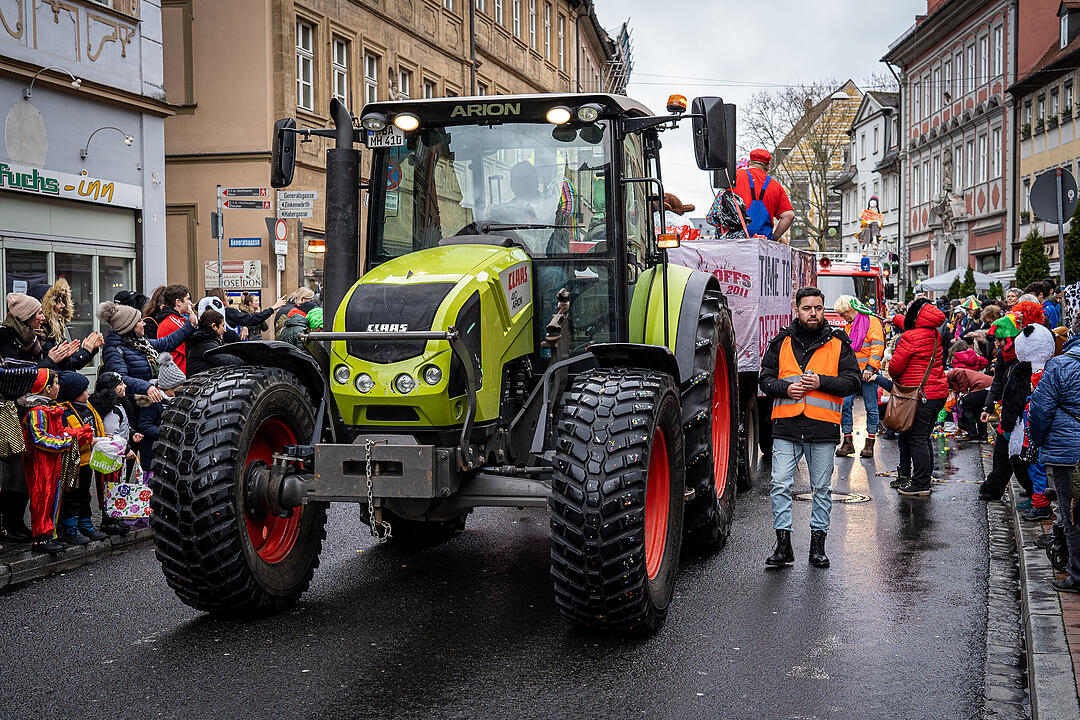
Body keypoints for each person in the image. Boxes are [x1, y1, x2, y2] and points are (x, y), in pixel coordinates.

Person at [758, 287, 861, 568]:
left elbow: (853, 382)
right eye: (806, 308)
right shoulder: (781, 342)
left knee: (821, 489)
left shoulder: (839, 342)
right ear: (798, 310)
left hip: (822, 429)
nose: (812, 313)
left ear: (823, 309)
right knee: (779, 484)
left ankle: (818, 547)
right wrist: (785, 388)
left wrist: (822, 382)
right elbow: (764, 379)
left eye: (817, 307)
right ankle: (783, 546)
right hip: (787, 427)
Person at [1027, 326, 1080, 593]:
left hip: (1067, 451)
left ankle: (1077, 575)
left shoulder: (1060, 364)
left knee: (1072, 513)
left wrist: (1038, 441)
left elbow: (1040, 410)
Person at [887, 298, 949, 496]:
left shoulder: (909, 337)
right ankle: (923, 477)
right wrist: (894, 318)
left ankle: (921, 483)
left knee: (916, 439)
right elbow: (911, 323)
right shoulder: (933, 333)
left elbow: (895, 368)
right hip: (937, 392)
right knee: (923, 437)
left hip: (919, 394)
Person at [979, 313, 1034, 501]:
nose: (997, 344)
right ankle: (993, 488)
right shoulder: (1003, 355)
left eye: (1000, 340)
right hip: (1008, 411)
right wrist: (988, 406)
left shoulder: (1025, 357)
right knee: (1002, 452)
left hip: (1022, 412)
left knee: (1018, 456)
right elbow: (997, 382)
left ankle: (1033, 490)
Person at [21, 370, 75, 554]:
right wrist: (66, 442)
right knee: (41, 499)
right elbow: (39, 439)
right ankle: (40, 539)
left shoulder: (51, 409)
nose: (59, 387)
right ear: (47, 388)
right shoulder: (36, 412)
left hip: (53, 463)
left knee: (52, 498)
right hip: (40, 465)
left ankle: (49, 534)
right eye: (56, 383)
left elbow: (59, 431)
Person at [98, 300, 196, 400]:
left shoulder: (140, 343)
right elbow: (121, 379)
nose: (144, 323)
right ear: (129, 327)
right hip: (134, 405)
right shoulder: (113, 350)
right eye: (139, 321)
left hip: (151, 400)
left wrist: (190, 325)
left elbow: (166, 342)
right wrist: (147, 387)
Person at [56, 371, 106, 545]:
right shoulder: (64, 412)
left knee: (85, 495)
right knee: (72, 497)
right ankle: (70, 529)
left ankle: (86, 524)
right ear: (73, 393)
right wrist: (88, 439)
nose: (88, 393)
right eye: (84, 390)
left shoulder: (87, 407)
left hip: (87, 460)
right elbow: (66, 435)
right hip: (72, 463)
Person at [832, 295, 884, 458]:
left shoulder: (871, 322)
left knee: (871, 407)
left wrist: (870, 367)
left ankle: (869, 443)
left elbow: (877, 346)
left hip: (868, 373)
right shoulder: (849, 326)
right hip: (852, 374)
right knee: (845, 405)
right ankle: (848, 442)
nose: (842, 317)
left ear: (849, 310)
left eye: (842, 314)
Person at [89, 371, 136, 536]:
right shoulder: (111, 409)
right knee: (109, 486)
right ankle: (108, 521)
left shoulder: (117, 405)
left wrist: (132, 433)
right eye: (120, 384)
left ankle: (113, 518)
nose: (125, 386)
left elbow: (122, 427)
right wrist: (127, 449)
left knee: (114, 484)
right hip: (110, 455)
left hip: (115, 454)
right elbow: (111, 435)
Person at [133, 353, 186, 474]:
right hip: (152, 454)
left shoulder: (178, 400)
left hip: (169, 453)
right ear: (169, 387)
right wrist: (164, 433)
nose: (182, 389)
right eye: (179, 387)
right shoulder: (151, 401)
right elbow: (144, 425)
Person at [38, 278, 105, 371]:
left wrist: (88, 350)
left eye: (63, 301)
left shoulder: (56, 330)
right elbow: (66, 366)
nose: (63, 306)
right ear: (46, 306)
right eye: (57, 301)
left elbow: (69, 363)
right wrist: (86, 351)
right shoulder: (41, 334)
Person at [730, 149, 795, 242]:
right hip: (763, 245)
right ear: (768, 167)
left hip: (736, 243)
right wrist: (774, 238)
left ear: (749, 163)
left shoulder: (735, 177)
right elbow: (789, 215)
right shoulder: (776, 186)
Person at [186, 309, 242, 375]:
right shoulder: (206, 344)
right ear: (214, 326)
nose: (224, 330)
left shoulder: (204, 341)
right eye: (222, 326)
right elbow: (229, 361)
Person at [153, 284, 195, 372]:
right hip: (177, 376)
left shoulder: (175, 320)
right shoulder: (172, 323)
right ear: (178, 302)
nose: (190, 303)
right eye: (188, 299)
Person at [946, 368, 993, 440]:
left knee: (964, 405)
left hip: (983, 387)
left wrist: (963, 391)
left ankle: (972, 435)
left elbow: (960, 373)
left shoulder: (950, 374)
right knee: (977, 410)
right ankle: (982, 436)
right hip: (989, 388)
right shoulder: (952, 377)